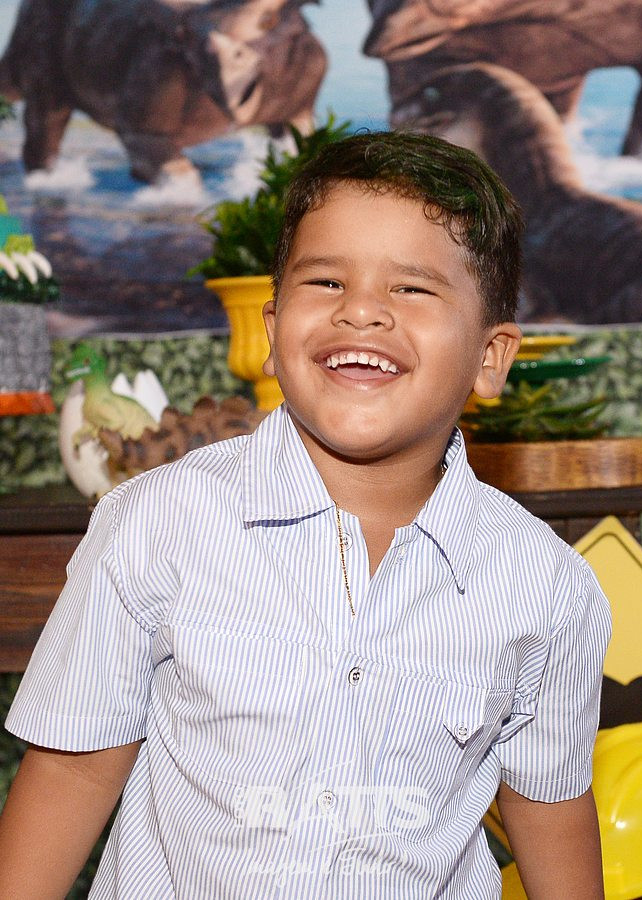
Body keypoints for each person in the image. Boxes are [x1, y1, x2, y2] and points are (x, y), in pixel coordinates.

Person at [0, 132, 610, 898]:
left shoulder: (545, 585)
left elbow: (548, 806)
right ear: (271, 327)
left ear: (490, 358)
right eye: (325, 280)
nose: (361, 310)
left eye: (411, 288)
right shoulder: (159, 523)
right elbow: (74, 768)